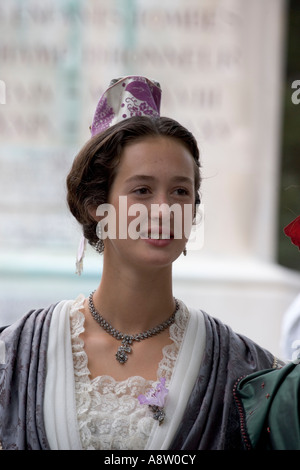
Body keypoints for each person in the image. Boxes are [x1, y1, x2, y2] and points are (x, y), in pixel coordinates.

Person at [0, 76, 281, 451]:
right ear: (96, 205)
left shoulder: (246, 370)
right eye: (142, 190)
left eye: (181, 191)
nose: (164, 210)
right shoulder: (17, 354)